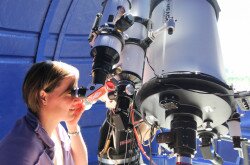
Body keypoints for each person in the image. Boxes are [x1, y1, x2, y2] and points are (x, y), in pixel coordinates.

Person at [0, 61, 88, 165]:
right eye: (70, 93)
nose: (78, 100)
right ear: (43, 97)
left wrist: (72, 126)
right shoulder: (20, 151)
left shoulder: (57, 130)